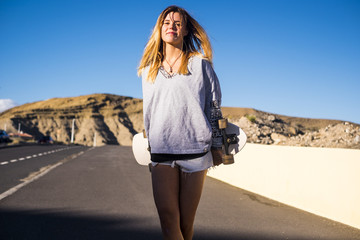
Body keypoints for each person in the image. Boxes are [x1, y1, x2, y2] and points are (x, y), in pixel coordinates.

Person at [137, 5, 224, 240]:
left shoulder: (200, 65)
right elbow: (150, 112)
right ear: (160, 28)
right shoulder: (148, 71)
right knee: (168, 220)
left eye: (177, 23)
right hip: (162, 152)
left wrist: (217, 147)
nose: (171, 27)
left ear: (185, 30)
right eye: (166, 22)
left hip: (195, 152)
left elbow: (214, 109)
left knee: (185, 225)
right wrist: (149, 144)